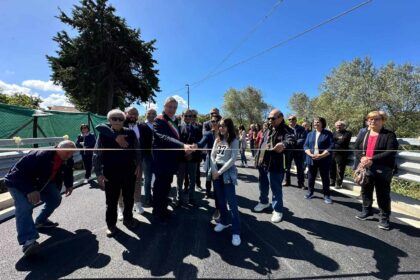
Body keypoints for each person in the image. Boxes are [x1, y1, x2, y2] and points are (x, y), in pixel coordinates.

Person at [5, 140, 76, 256]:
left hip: (40, 183)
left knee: (55, 199)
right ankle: (28, 241)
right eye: (67, 152)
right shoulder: (40, 155)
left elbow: (68, 171)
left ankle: (41, 221)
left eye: (72, 153)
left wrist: (69, 184)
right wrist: (29, 190)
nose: (69, 155)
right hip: (17, 183)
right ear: (58, 148)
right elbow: (16, 174)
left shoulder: (67, 159)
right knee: (25, 207)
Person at [93, 109, 142, 237]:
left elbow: (138, 150)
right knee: (111, 201)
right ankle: (111, 225)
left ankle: (128, 219)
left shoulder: (130, 133)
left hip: (129, 171)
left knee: (129, 198)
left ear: (124, 120)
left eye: (120, 119)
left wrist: (139, 165)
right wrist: (98, 173)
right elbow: (97, 154)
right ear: (109, 120)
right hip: (110, 172)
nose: (117, 121)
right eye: (114, 118)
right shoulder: (103, 134)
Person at [152, 97, 194, 224]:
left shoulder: (174, 121)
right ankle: (157, 212)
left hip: (171, 161)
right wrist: (182, 146)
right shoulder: (159, 120)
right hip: (161, 160)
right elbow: (163, 137)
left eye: (174, 107)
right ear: (164, 106)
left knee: (166, 187)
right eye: (170, 107)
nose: (172, 110)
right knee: (159, 187)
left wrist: (185, 150)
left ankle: (163, 209)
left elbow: (177, 139)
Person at [354, 111, 398, 230]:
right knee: (365, 190)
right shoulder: (364, 134)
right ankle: (366, 211)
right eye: (370, 119)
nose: (373, 121)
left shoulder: (389, 135)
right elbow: (356, 148)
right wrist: (362, 157)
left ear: (383, 120)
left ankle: (384, 218)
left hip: (383, 169)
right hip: (366, 167)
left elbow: (391, 151)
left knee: (382, 194)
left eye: (376, 119)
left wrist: (372, 159)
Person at [253, 109, 296, 223]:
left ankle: (277, 210)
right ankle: (263, 202)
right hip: (263, 162)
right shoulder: (267, 129)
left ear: (281, 118)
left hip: (276, 164)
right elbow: (262, 143)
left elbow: (291, 141)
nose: (270, 120)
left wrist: (283, 144)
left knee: (276, 188)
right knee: (262, 184)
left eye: (273, 118)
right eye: (269, 118)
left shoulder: (287, 130)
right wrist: (257, 160)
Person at [210, 118, 241, 246]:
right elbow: (212, 155)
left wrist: (219, 172)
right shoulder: (217, 139)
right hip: (216, 171)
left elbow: (233, 159)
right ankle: (223, 221)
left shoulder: (234, 140)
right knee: (221, 201)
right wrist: (213, 170)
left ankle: (236, 232)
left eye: (223, 126)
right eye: (220, 126)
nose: (221, 128)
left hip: (226, 172)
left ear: (229, 127)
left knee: (232, 203)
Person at [195, 114, 221, 219]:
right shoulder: (209, 134)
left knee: (221, 187)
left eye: (215, 121)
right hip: (212, 162)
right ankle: (217, 209)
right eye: (212, 121)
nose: (213, 123)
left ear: (220, 122)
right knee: (213, 181)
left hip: (223, 164)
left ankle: (220, 208)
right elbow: (201, 144)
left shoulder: (225, 134)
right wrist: (193, 146)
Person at [303, 117, 334, 204]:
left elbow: (331, 146)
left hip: (324, 159)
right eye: (314, 122)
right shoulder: (310, 134)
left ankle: (327, 196)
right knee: (311, 177)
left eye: (318, 122)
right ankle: (310, 192)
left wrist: (321, 155)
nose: (316, 123)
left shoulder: (328, 134)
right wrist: (310, 154)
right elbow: (305, 146)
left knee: (325, 178)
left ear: (322, 123)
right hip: (311, 158)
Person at [175, 109, 202, 206]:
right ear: (182, 116)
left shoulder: (198, 129)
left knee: (192, 179)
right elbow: (177, 143)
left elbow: (199, 143)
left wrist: (191, 153)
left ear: (193, 117)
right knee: (180, 179)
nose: (188, 118)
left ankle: (192, 197)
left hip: (193, 158)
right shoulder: (177, 128)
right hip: (181, 158)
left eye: (190, 116)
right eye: (186, 116)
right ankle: (179, 198)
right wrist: (185, 153)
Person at [139, 108, 157, 208]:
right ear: (146, 114)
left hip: (157, 156)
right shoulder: (141, 125)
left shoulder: (156, 125)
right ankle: (147, 198)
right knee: (148, 178)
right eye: (149, 113)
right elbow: (140, 142)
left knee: (157, 177)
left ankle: (156, 197)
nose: (151, 115)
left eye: (153, 113)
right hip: (146, 156)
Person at [283, 115, 307, 189]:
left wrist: (293, 143)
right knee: (287, 167)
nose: (291, 120)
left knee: (300, 167)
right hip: (288, 151)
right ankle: (287, 181)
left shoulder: (302, 128)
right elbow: (284, 138)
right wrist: (289, 144)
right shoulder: (285, 129)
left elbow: (303, 139)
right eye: (289, 119)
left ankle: (301, 183)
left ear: (296, 120)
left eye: (293, 119)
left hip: (298, 151)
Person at [330, 120, 352, 189]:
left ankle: (338, 183)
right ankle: (332, 181)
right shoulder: (333, 133)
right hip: (333, 152)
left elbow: (342, 141)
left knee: (340, 169)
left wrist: (335, 140)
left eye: (340, 125)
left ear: (343, 126)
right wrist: (337, 138)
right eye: (337, 125)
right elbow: (330, 141)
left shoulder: (347, 133)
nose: (338, 126)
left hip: (341, 153)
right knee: (331, 168)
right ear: (335, 125)